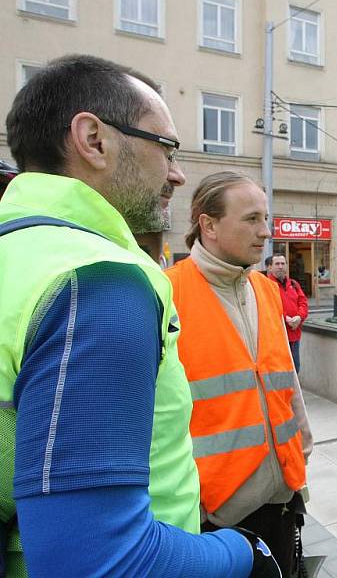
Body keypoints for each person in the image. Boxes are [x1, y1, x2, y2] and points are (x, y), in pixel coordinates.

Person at [0, 55, 277, 576]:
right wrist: (242, 555)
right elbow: (100, 561)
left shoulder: (18, 253)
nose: (176, 172)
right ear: (94, 139)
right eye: (166, 146)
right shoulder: (97, 278)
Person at [166, 171, 313, 577]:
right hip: (214, 517)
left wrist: (303, 456)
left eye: (265, 218)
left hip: (282, 498)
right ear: (208, 225)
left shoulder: (265, 289)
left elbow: (287, 383)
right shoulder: (167, 293)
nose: (265, 232)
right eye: (251, 219)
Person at [266, 254, 309, 373]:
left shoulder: (294, 284)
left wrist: (299, 317)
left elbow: (303, 302)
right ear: (270, 267)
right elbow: (268, 306)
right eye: (277, 264)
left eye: (283, 264)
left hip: (294, 336)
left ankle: (293, 392)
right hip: (276, 338)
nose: (280, 267)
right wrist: (287, 319)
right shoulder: (266, 285)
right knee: (279, 371)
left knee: (295, 368)